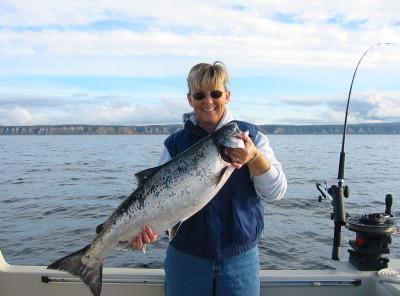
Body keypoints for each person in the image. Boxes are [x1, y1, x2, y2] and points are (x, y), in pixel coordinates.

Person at [131, 61, 287, 296]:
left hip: (240, 258)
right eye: (200, 95)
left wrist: (254, 157)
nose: (208, 101)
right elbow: (154, 194)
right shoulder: (175, 143)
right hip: (186, 258)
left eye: (215, 93)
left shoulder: (250, 136)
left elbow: (276, 192)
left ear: (227, 95)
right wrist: (141, 231)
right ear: (190, 99)